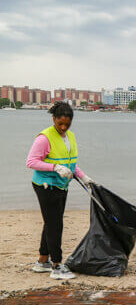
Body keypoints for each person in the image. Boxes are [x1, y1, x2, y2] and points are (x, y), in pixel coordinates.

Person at [26, 101, 94, 280]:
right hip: (45, 186)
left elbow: (70, 162)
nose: (63, 127)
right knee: (55, 225)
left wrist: (83, 177)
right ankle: (57, 265)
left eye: (67, 124)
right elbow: (31, 162)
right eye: (60, 124)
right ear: (53, 119)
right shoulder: (44, 138)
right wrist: (55, 167)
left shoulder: (70, 136)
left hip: (62, 185)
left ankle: (42, 262)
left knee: (51, 222)